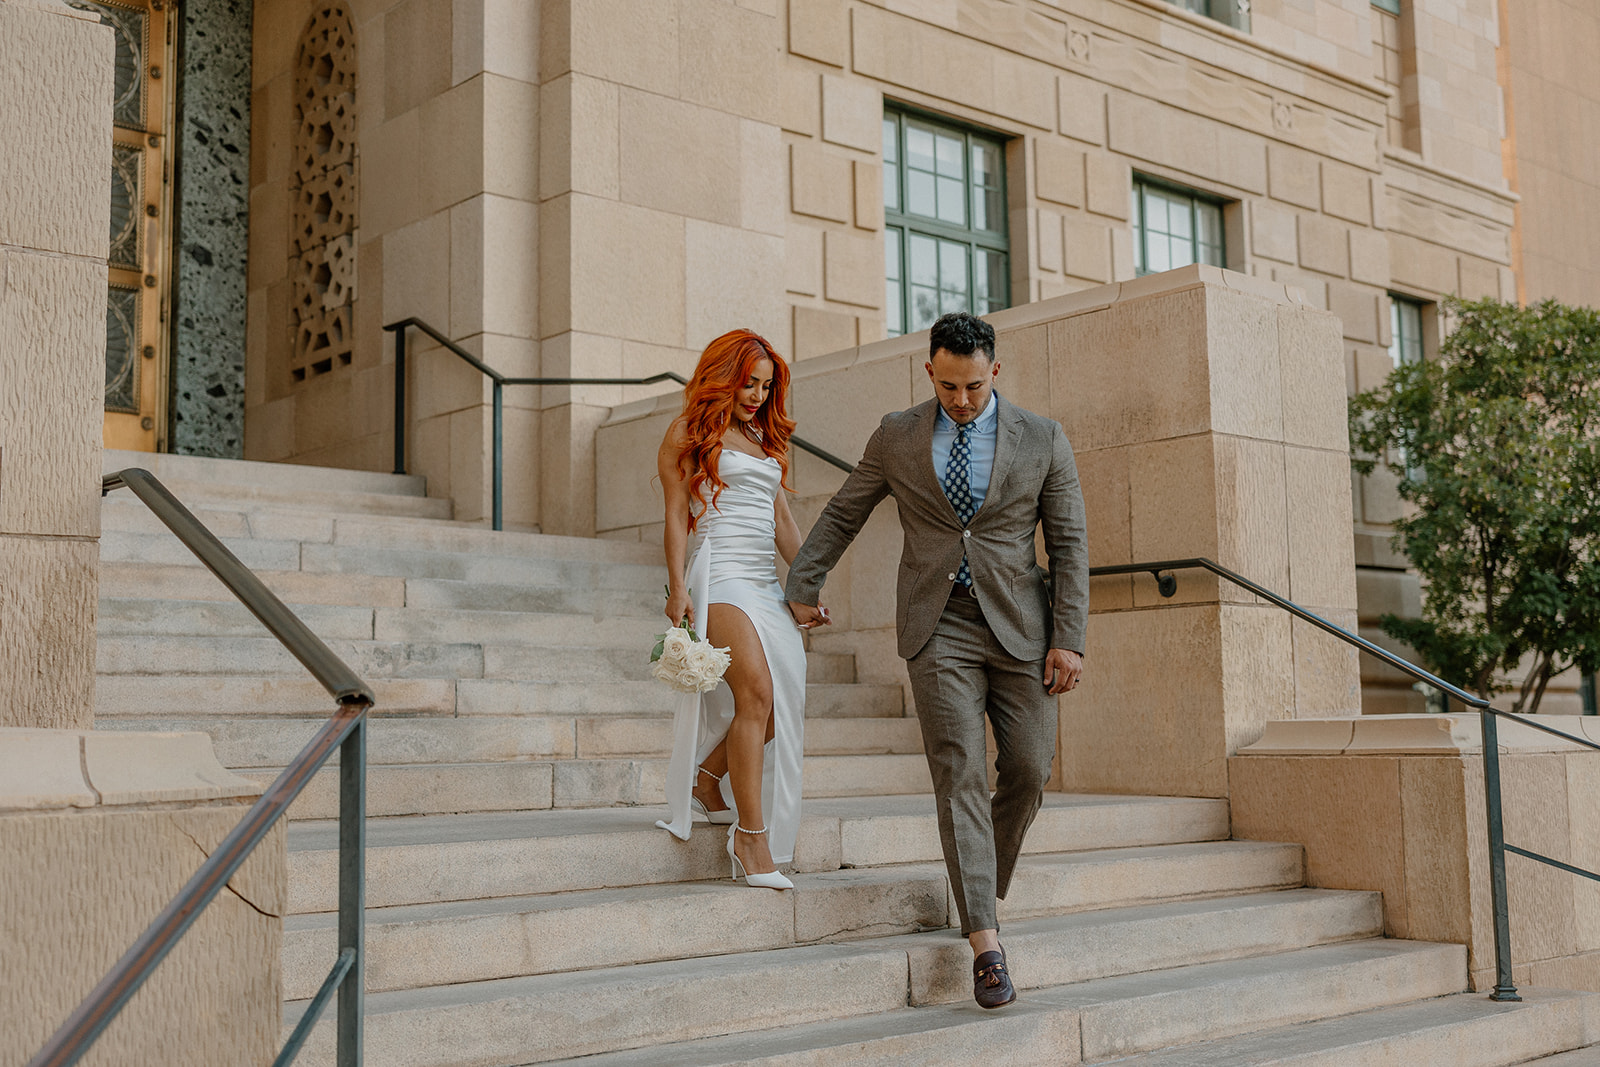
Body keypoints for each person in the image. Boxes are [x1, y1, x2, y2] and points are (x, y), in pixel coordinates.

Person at [785, 311, 1087, 1008]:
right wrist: (804, 582)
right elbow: (843, 513)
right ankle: (987, 943)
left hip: (1022, 628)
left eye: (974, 386)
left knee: (1030, 769)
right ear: (929, 370)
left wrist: (1068, 636)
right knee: (960, 773)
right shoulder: (897, 434)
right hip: (937, 625)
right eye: (949, 386)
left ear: (996, 372)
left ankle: (974, 877)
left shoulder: (1042, 438)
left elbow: (1070, 544)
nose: (961, 399)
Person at [654, 329, 823, 890]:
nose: (755, 394)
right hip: (719, 574)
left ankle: (708, 779)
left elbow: (782, 523)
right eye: (747, 382)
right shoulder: (687, 433)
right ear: (722, 376)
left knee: (778, 707)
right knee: (755, 690)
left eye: (765, 385)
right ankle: (752, 838)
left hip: (765, 583)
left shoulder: (762, 435)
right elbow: (677, 515)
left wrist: (807, 588)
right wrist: (677, 587)